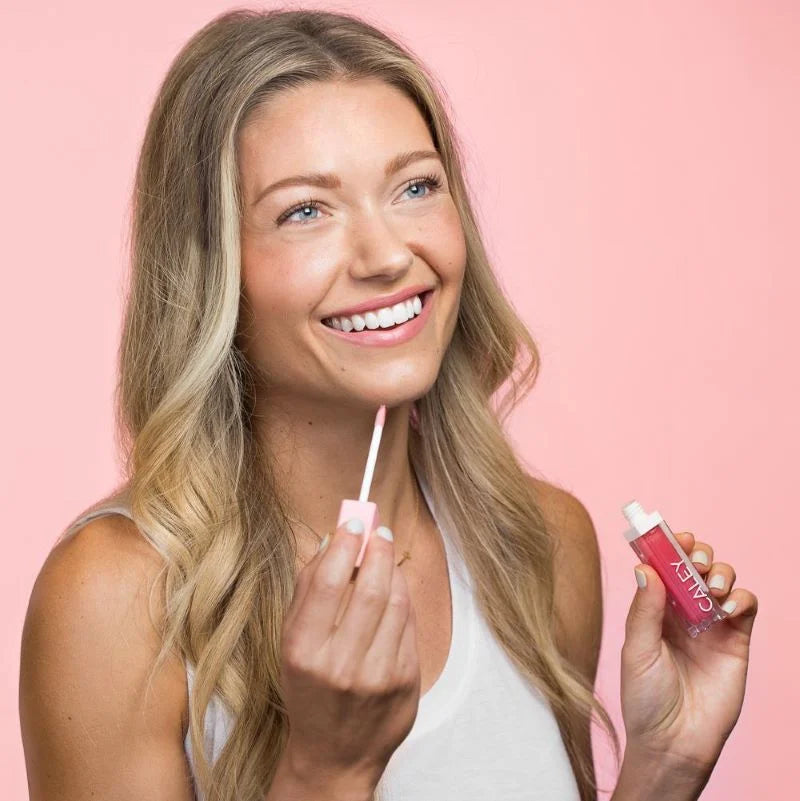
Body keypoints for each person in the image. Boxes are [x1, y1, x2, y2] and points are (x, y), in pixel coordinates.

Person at [19, 8, 758, 801]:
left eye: (415, 187)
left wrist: (665, 768)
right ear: (214, 270)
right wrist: (325, 770)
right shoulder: (114, 599)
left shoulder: (540, 544)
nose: (387, 256)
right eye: (306, 210)